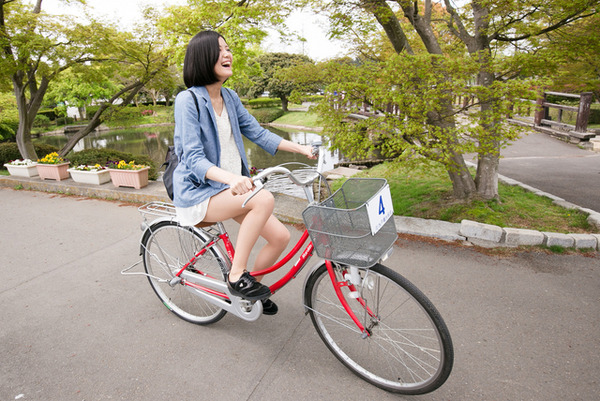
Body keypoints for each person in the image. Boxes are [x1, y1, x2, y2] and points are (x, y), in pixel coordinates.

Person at [172, 30, 315, 315]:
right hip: (200, 192)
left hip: (228, 190)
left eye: (228, 48)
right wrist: (233, 178)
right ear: (203, 58)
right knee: (263, 199)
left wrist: (301, 149)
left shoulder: (230, 97)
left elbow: (258, 133)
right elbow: (193, 158)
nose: (228, 54)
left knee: (280, 238)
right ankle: (237, 276)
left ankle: (248, 296)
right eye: (220, 50)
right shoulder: (188, 100)